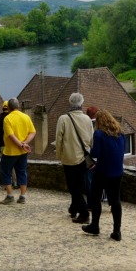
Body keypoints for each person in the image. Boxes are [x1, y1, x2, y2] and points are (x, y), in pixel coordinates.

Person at [81, 108, 125, 242]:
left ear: (99, 122)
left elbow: (95, 154)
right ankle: (117, 231)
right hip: (117, 171)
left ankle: (95, 226)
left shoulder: (99, 134)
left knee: (95, 197)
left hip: (103, 171)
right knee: (115, 200)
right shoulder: (120, 133)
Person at [55, 92, 94, 223]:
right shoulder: (87, 119)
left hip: (69, 158)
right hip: (83, 158)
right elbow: (91, 139)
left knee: (73, 187)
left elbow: (58, 139)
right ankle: (73, 208)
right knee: (79, 185)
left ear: (70, 103)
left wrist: (59, 155)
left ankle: (84, 213)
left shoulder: (63, 119)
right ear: (81, 104)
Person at [0, 97, 35, 205]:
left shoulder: (8, 119)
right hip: (22, 153)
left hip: (10, 152)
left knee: (6, 173)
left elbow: (11, 136)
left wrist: (21, 145)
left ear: (8, 107)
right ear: (18, 106)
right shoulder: (26, 117)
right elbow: (32, 132)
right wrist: (24, 144)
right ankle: (22, 197)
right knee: (22, 173)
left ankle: (10, 196)